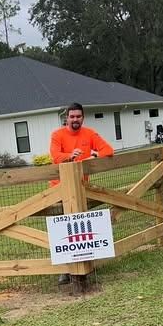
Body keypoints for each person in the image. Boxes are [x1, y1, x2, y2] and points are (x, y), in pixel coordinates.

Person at [49, 103, 114, 285]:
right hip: (59, 189)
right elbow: (55, 156)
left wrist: (92, 158)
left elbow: (108, 150)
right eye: (72, 117)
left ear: (82, 118)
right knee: (62, 230)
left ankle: (86, 265)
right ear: (67, 118)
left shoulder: (89, 133)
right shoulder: (57, 135)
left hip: (80, 187)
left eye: (78, 116)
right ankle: (65, 270)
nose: (75, 119)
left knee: (82, 228)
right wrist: (71, 155)